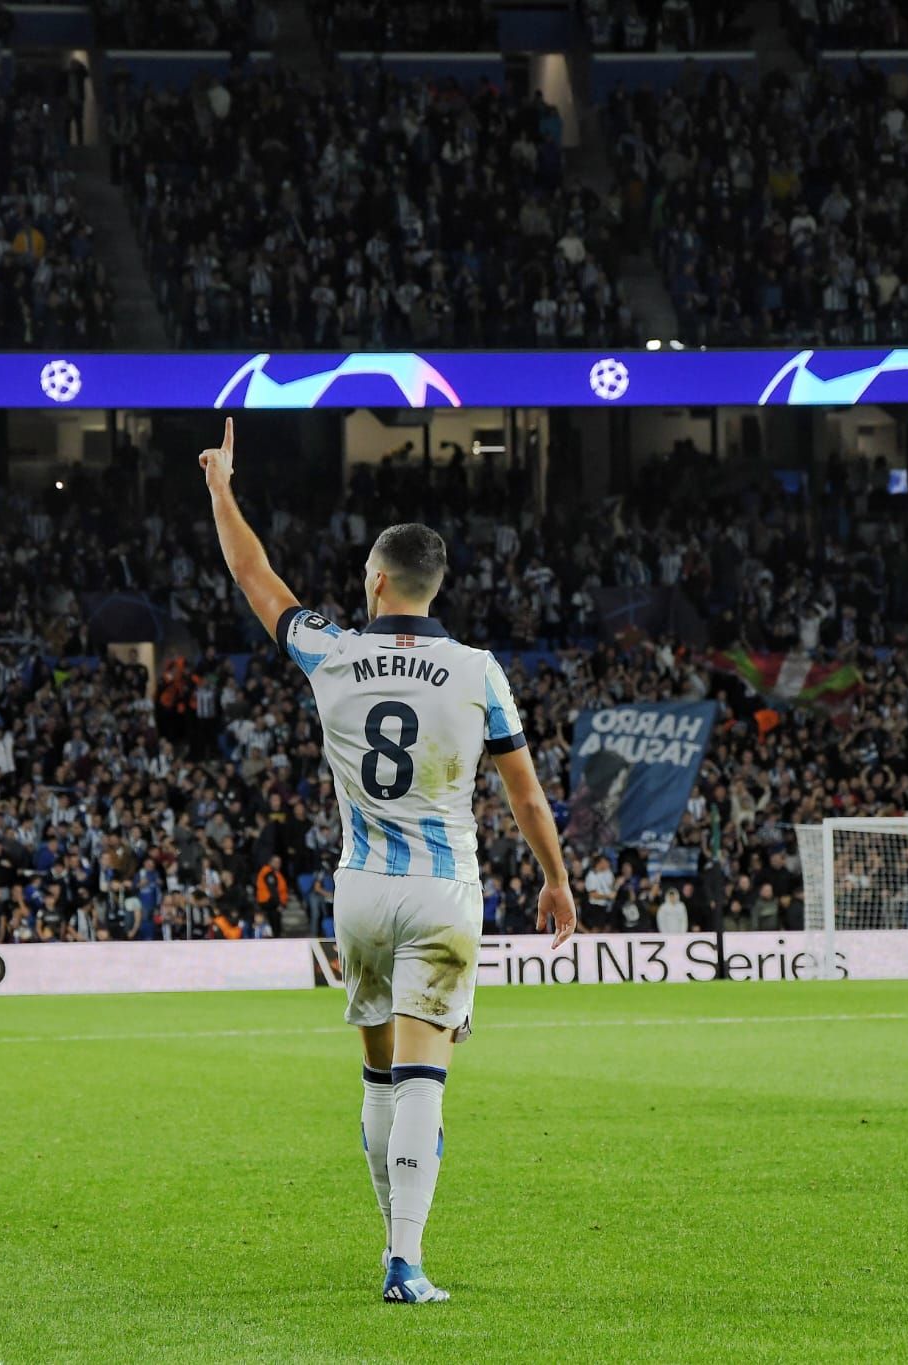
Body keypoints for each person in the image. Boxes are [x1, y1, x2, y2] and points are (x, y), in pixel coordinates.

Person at [201, 417, 576, 1305]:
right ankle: (404, 1258)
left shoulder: (333, 650)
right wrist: (557, 879)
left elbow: (254, 576)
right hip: (445, 889)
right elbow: (524, 795)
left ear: (374, 582)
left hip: (361, 891)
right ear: (433, 584)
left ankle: (392, 1240)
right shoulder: (478, 668)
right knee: (423, 1075)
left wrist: (222, 490)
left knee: (378, 1073)